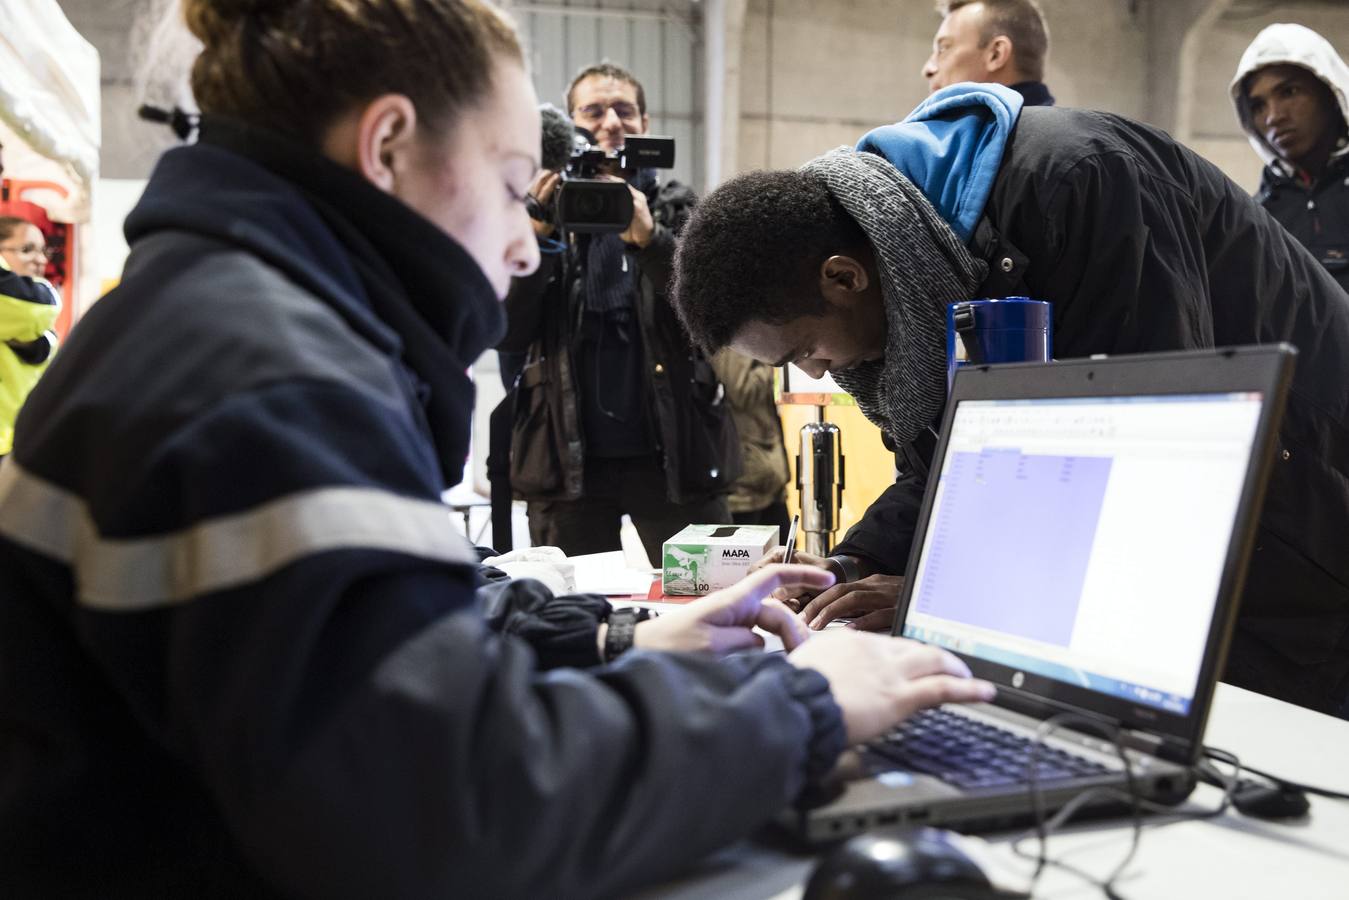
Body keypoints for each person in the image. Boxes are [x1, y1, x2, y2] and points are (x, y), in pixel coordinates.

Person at [0, 2, 995, 896]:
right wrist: (805, 707)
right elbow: (455, 804)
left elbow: (376, 636)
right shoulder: (270, 377)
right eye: (515, 184)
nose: (526, 246)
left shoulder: (213, 323)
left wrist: (622, 639)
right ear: (387, 144)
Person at [670, 83, 1349, 719]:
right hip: (1230, 559)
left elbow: (1150, 460)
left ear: (843, 278)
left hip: (1306, 533)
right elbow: (946, 463)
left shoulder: (1079, 185)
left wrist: (951, 599)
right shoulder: (914, 260)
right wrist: (850, 564)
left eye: (801, 352)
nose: (816, 374)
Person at [498, 61, 738, 562]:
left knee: (710, 601)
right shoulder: (539, 213)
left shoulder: (676, 207)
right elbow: (507, 329)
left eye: (624, 110)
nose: (610, 122)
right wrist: (535, 236)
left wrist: (651, 240)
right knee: (575, 615)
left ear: (645, 125)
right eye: (593, 111)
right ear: (568, 126)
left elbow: (713, 314)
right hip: (566, 460)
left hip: (677, 456)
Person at [1231, 23, 1349, 294]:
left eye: (1289, 92)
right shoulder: (1255, 220)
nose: (1274, 117)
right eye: (1258, 106)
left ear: (1331, 92)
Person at [711, 347, 791, 532]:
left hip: (761, 468)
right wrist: (772, 358)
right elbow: (742, 390)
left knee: (783, 549)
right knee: (752, 555)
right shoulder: (736, 337)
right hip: (747, 471)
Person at [922, 0, 1054, 106]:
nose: (927, 70)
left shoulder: (983, 135)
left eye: (944, 48)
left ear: (996, 54)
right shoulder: (1062, 134)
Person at [0, 219, 58, 457]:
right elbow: (36, 305)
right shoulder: (32, 303)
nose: (41, 260)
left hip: (18, 441)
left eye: (43, 250)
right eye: (27, 250)